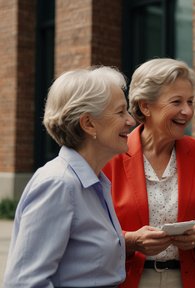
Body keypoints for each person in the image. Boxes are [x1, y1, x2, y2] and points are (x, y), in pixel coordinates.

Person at [3, 66, 135, 287]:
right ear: (88, 123)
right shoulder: (59, 184)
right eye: (121, 112)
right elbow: (24, 282)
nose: (131, 120)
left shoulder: (96, 182)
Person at [102, 58, 195, 288]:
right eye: (176, 102)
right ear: (145, 106)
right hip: (129, 280)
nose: (187, 111)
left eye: (190, 101)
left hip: (187, 280)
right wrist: (131, 241)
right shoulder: (111, 156)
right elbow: (95, 230)